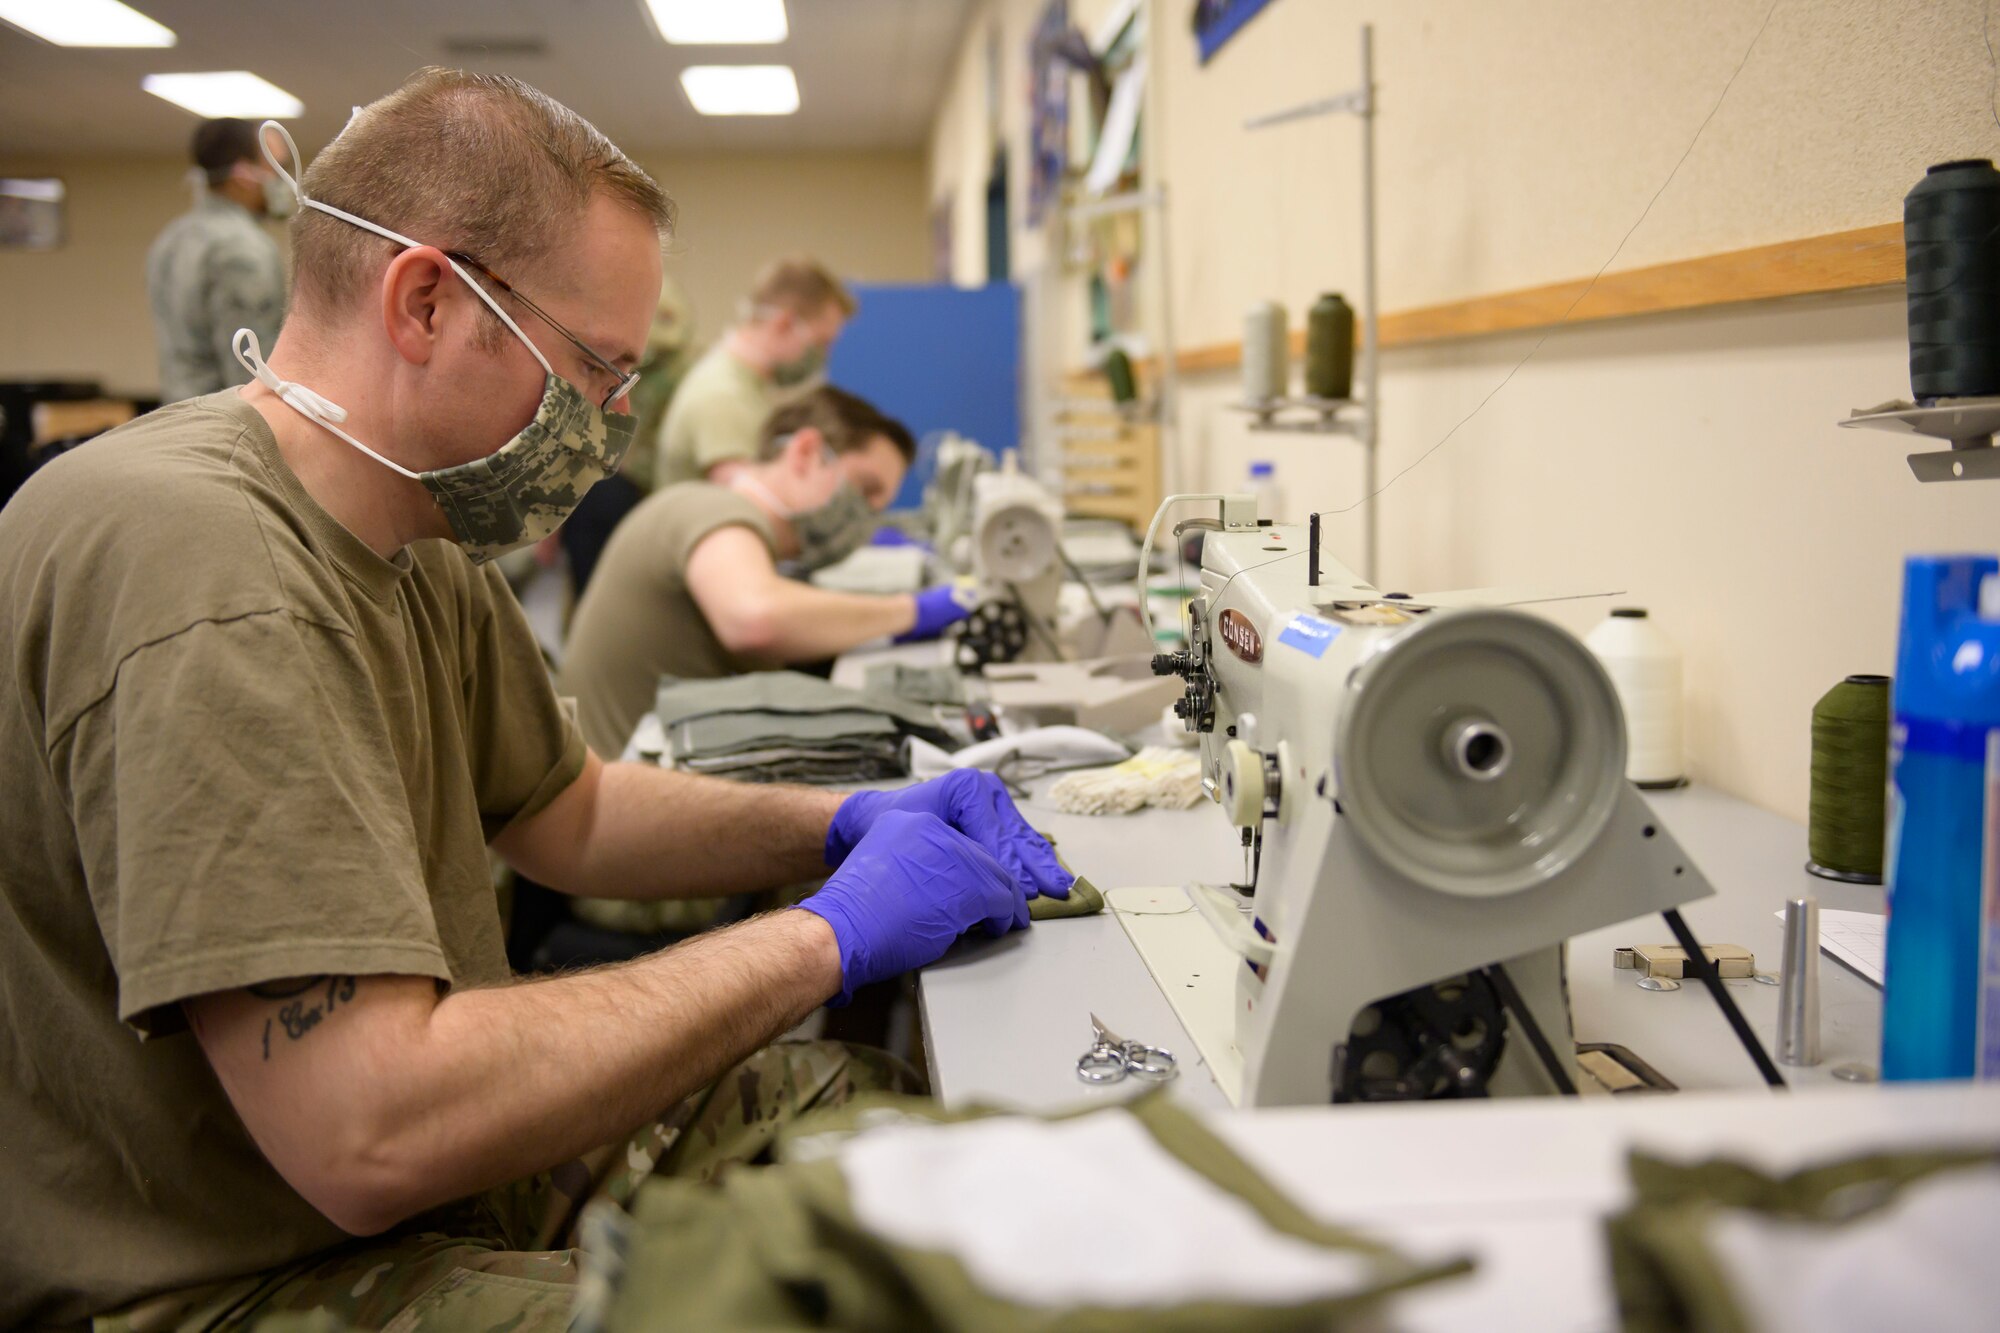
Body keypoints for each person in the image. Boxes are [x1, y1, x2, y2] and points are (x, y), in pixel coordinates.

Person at [0, 69, 1067, 1329]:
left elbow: (573, 812)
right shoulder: (210, 572)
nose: (610, 424)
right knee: (820, 1303)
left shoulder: (411, 528)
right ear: (426, 301)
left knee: (858, 1111)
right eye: (593, 373)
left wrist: (848, 820)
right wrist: (818, 937)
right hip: (233, 1273)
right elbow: (369, 1131)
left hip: (407, 1186)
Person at [558, 385, 972, 760]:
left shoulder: (721, 519)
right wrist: (911, 612)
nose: (867, 519)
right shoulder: (715, 510)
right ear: (807, 452)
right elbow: (755, 618)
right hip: (613, 804)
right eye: (864, 490)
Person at [654, 255, 854, 488]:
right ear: (785, 323)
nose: (824, 356)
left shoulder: (747, 386)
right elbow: (746, 499)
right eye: (821, 342)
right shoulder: (724, 394)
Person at [146, 117, 292, 403]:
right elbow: (250, 370)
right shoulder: (243, 248)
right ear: (242, 174)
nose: (283, 180)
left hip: (178, 418)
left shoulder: (169, 239)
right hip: (226, 430)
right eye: (276, 168)